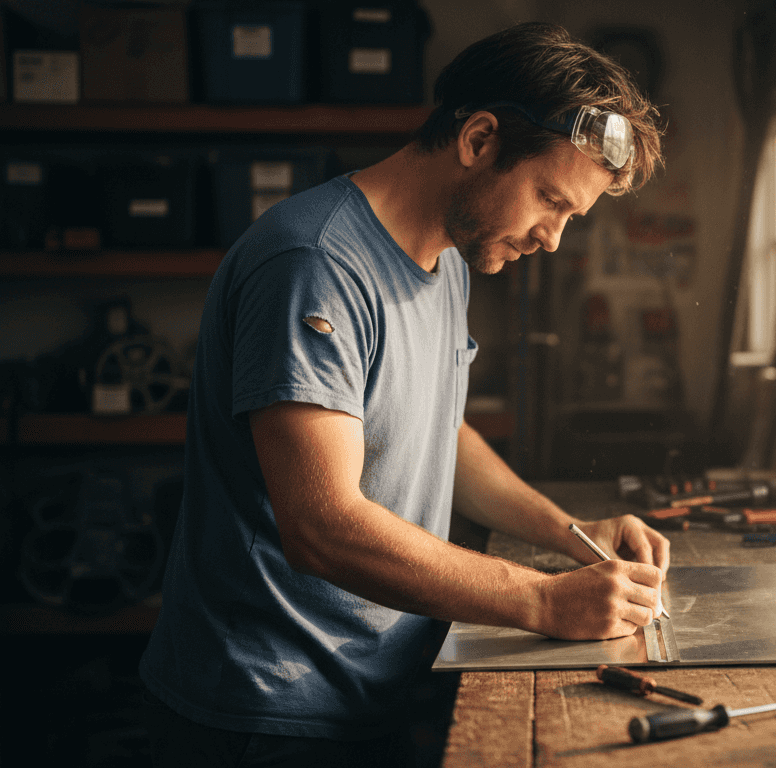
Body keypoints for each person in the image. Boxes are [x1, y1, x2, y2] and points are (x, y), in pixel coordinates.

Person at [139, 22, 668, 767]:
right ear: (479, 140)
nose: (552, 238)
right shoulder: (314, 264)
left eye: (569, 217)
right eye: (549, 199)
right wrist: (543, 600)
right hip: (264, 711)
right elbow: (323, 526)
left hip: (367, 690)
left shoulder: (447, 258)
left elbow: (438, 431)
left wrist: (573, 533)